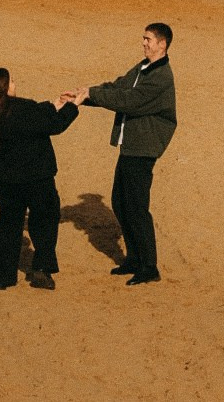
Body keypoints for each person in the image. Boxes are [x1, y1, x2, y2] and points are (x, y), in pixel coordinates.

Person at [73, 22, 177, 286]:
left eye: (149, 39)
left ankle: (149, 266)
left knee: (137, 208)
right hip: (130, 145)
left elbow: (129, 101)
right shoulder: (143, 68)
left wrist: (93, 95)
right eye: (144, 38)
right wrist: (86, 95)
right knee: (120, 202)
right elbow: (119, 87)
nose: (144, 43)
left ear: (162, 44)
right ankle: (133, 258)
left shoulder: (161, 77)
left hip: (143, 148)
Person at [0, 67, 78, 291]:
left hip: (5, 182)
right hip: (36, 179)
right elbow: (53, 125)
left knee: (9, 224)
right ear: (4, 87)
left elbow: (35, 114)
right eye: (11, 81)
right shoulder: (23, 109)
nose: (15, 84)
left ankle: (3, 276)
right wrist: (72, 106)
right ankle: (41, 268)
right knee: (45, 221)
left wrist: (55, 104)